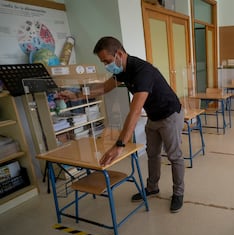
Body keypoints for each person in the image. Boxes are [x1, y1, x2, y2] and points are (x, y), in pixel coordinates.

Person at [66, 36, 185, 212]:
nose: (106, 65)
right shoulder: (122, 69)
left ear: (119, 54)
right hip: (153, 116)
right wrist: (76, 95)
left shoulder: (143, 71)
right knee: (152, 154)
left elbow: (135, 111)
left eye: (106, 61)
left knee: (174, 156)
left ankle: (178, 193)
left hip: (170, 115)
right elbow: (104, 88)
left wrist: (120, 145)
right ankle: (152, 188)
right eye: (103, 62)